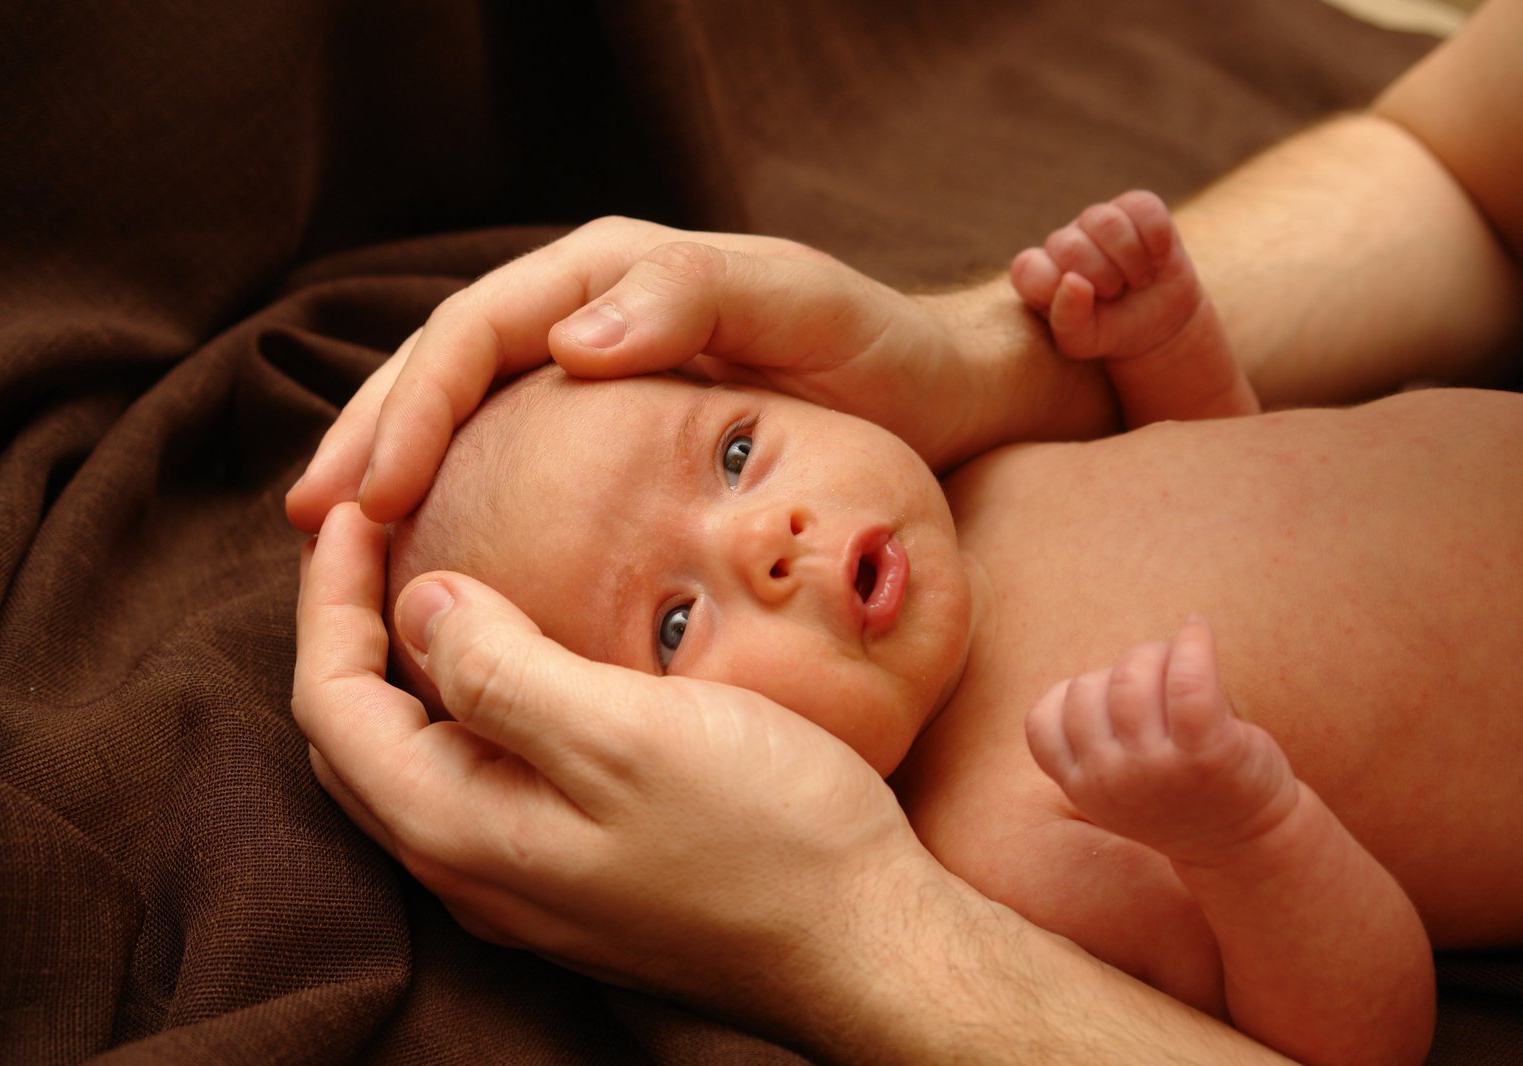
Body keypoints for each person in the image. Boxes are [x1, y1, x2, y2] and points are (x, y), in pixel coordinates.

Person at [287, 1, 1522, 1062]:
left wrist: (1160, 345)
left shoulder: (981, 474)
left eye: (732, 454)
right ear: (641, 754)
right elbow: (1363, 1031)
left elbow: (1230, 470)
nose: (766, 538)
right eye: (672, 623)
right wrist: (1247, 834)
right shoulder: (1006, 840)